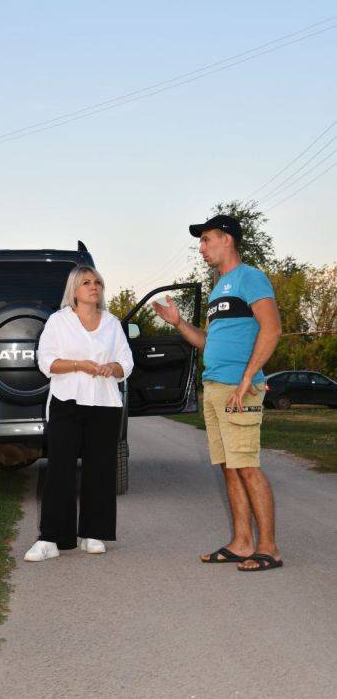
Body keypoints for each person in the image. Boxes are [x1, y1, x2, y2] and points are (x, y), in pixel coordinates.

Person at [153, 214, 283, 572]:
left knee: (247, 466)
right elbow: (207, 341)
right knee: (229, 467)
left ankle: (268, 547)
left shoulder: (250, 278)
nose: (202, 247)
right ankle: (242, 543)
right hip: (215, 387)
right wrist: (178, 323)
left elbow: (272, 330)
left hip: (239, 389)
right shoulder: (217, 289)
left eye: (207, 239)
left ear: (227, 239)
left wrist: (245, 381)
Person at [24, 265, 134, 562]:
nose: (93, 287)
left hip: (105, 402)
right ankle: (50, 539)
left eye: (97, 282)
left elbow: (127, 361)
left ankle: (94, 533)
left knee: (100, 468)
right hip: (66, 400)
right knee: (60, 469)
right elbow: (45, 362)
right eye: (86, 282)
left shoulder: (112, 323)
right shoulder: (58, 322)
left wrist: (113, 368)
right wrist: (79, 365)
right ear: (74, 290)